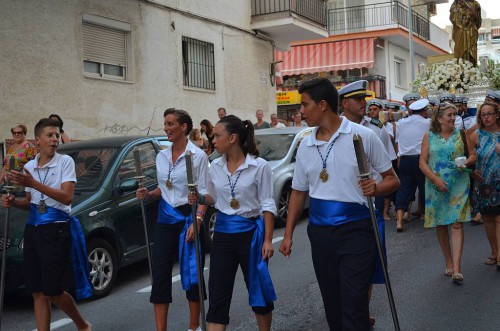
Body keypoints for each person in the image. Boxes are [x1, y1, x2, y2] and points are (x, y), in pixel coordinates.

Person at [279, 78, 399, 330]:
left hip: (357, 230)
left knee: (354, 305)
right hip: (321, 234)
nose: (300, 111)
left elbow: (392, 179)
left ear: (322, 105)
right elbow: (299, 192)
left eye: (304, 104)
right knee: (332, 306)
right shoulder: (305, 144)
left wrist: (376, 188)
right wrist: (288, 233)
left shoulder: (362, 136)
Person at [1, 118, 92, 331]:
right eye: (49, 135)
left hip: (56, 229)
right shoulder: (30, 166)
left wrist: (33, 183)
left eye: (57, 135)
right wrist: (14, 202)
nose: (54, 140)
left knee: (53, 290)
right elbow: (31, 203)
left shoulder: (64, 162)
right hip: (33, 230)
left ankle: (82, 324)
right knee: (37, 291)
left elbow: (67, 197)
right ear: (37, 141)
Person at [189, 114, 276, 331]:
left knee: (258, 291)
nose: (213, 140)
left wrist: (267, 240)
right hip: (223, 235)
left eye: (218, 136)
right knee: (218, 294)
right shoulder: (215, 166)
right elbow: (212, 198)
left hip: (251, 235)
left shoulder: (259, 166)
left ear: (233, 138)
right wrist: (199, 198)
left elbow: (268, 205)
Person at [136, 108, 208, 331]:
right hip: (166, 220)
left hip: (189, 216)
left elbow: (204, 192)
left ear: (183, 127)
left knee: (192, 272)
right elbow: (163, 188)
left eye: (170, 124)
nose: (165, 128)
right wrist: (148, 194)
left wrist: (197, 221)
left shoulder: (198, 156)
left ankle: (194, 327)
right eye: (165, 124)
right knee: (159, 275)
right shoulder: (161, 156)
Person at [419, 102, 475, 282]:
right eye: (450, 115)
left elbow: (473, 154)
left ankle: (457, 268)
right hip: (436, 185)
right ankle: (449, 262)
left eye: (455, 114)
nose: (453, 118)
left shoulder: (461, 133)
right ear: (439, 117)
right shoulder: (429, 136)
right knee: (441, 223)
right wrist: (435, 179)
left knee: (457, 223)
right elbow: (422, 163)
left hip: (458, 183)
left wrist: (467, 162)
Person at [469, 103, 500, 268]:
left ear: (497, 115)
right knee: (488, 218)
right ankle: (494, 252)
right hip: (484, 182)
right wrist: (471, 172)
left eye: (490, 113)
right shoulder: (475, 135)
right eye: (483, 114)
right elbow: (468, 157)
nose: (487, 117)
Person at [394, 99, 430, 232]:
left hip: (404, 159)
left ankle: (399, 221)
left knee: (404, 189)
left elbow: (398, 140)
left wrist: (399, 156)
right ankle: (427, 217)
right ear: (424, 111)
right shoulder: (427, 122)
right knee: (425, 188)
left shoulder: (401, 123)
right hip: (420, 160)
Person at [450, 0, 482, 65]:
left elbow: (478, 21)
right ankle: (460, 68)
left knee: (472, 50)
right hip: (460, 30)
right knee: (459, 53)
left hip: (471, 31)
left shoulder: (475, 4)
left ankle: (472, 68)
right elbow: (452, 18)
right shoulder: (456, 3)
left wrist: (475, 14)